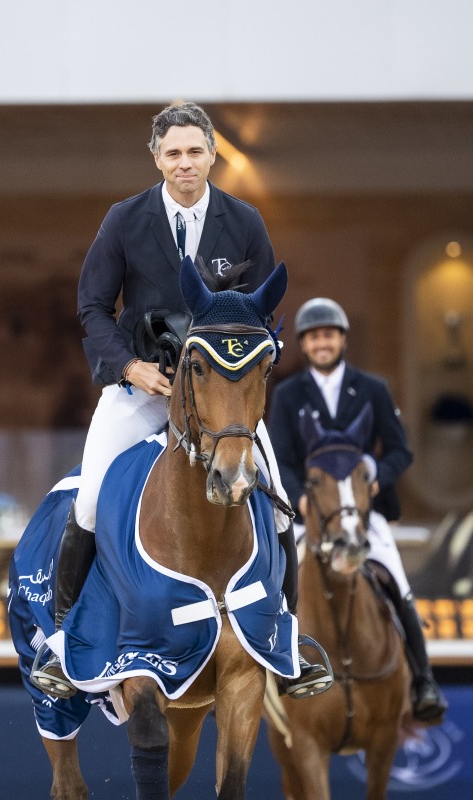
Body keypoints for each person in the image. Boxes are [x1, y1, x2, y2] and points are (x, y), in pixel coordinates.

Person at [30, 101, 330, 700]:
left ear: (213, 154)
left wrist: (240, 377)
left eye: (195, 152)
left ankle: (287, 636)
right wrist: (128, 366)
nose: (184, 163)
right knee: (88, 499)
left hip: (220, 399)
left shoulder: (244, 221)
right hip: (147, 385)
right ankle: (65, 644)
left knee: (276, 503)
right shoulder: (124, 219)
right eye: (173, 153)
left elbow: (264, 316)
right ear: (156, 158)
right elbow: (92, 305)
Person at [267, 297, 449, 723]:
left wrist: (375, 477)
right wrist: (301, 497)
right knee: (276, 582)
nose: (322, 343)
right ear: (304, 345)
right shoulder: (288, 393)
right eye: (313, 337)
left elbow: (401, 450)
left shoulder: (373, 389)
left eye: (328, 335)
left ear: (342, 339)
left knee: (397, 582)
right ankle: (270, 673)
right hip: (310, 513)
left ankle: (423, 680)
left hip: (364, 513)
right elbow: (278, 457)